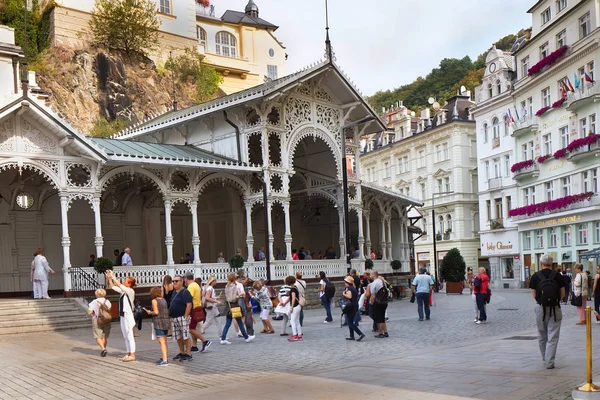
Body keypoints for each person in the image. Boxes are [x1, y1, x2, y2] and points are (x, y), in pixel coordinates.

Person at [529, 254, 565, 369]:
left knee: (542, 335)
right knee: (553, 336)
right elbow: (563, 294)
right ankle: (550, 362)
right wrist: (555, 301)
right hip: (555, 308)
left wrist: (542, 301)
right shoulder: (558, 275)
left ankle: (545, 358)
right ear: (552, 264)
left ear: (541, 263)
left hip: (541, 308)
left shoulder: (535, 276)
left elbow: (534, 294)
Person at [105, 270, 136, 362]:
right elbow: (113, 287)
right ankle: (128, 353)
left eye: (126, 281)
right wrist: (109, 278)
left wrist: (114, 276)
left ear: (130, 284)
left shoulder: (130, 291)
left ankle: (132, 354)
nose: (124, 282)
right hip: (122, 316)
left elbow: (119, 285)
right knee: (125, 336)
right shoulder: (124, 292)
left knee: (130, 335)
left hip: (128, 316)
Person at [220, 273, 255, 344]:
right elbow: (233, 298)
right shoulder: (234, 287)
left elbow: (228, 297)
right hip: (234, 305)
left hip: (228, 306)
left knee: (228, 323)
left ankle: (223, 338)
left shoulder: (226, 286)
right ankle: (247, 337)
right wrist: (239, 295)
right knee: (239, 322)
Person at [184, 273, 211, 354]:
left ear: (186, 278)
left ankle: (205, 341)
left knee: (190, 329)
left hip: (193, 309)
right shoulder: (196, 285)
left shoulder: (191, 286)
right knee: (193, 328)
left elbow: (189, 298)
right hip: (197, 307)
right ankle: (194, 346)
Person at [143, 286, 170, 366]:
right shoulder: (163, 300)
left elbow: (156, 312)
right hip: (166, 321)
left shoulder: (154, 301)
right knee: (164, 342)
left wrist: (149, 312)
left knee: (161, 342)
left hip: (159, 322)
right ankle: (165, 357)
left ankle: (165, 360)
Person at [170, 275, 193, 361]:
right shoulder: (174, 292)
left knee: (185, 335)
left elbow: (189, 305)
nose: (174, 283)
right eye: (173, 281)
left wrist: (185, 317)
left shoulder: (185, 292)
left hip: (182, 317)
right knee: (178, 336)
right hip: (174, 317)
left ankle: (188, 353)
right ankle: (181, 352)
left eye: (176, 281)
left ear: (182, 282)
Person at [87, 288, 111, 357]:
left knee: (97, 336)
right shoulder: (107, 301)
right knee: (104, 336)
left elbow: (90, 312)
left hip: (97, 319)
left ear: (97, 294)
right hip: (107, 320)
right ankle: (104, 348)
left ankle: (103, 349)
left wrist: (91, 311)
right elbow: (109, 310)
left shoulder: (94, 302)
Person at [365, 271, 388, 338]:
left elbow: (373, 296)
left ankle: (380, 333)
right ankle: (385, 332)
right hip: (384, 301)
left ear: (373, 275)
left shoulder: (374, 283)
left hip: (378, 302)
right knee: (382, 317)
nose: (370, 276)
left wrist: (370, 303)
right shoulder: (382, 281)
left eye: (371, 274)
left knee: (379, 318)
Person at [343, 275, 365, 341]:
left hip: (351, 307)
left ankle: (360, 334)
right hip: (354, 306)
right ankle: (351, 336)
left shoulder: (350, 289)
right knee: (350, 321)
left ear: (347, 283)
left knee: (350, 322)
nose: (344, 283)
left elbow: (349, 297)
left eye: (345, 282)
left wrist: (344, 294)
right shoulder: (353, 288)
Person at [286, 276, 303, 341]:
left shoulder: (292, 289)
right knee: (297, 321)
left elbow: (293, 298)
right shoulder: (295, 287)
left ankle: (294, 335)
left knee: (292, 321)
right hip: (298, 306)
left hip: (295, 306)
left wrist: (291, 307)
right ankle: (299, 335)